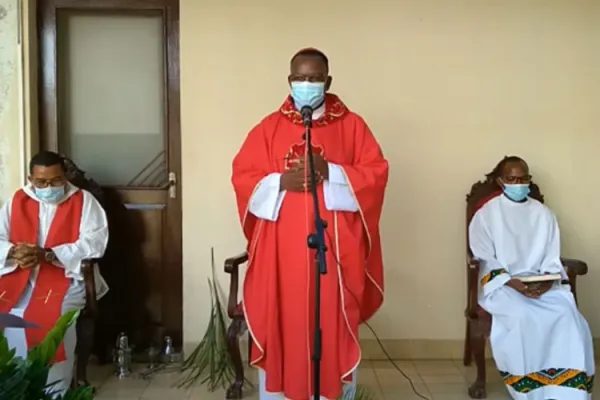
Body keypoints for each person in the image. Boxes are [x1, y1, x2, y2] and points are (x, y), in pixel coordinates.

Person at [232, 48, 388, 400]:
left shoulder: (352, 126)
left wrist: (332, 172)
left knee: (329, 326)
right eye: (300, 78)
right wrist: (278, 183)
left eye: (314, 78)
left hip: (331, 255)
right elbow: (242, 177)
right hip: (281, 256)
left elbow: (375, 175)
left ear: (328, 81)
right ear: (289, 81)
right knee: (285, 322)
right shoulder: (268, 128)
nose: (307, 84)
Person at [469, 156, 594, 400]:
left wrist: (546, 282)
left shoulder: (543, 214)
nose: (518, 184)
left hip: (540, 282)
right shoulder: (487, 215)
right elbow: (484, 256)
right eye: (512, 179)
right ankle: (530, 390)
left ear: (529, 180)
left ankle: (566, 391)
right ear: (500, 181)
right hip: (504, 285)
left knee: (567, 316)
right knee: (522, 316)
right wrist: (513, 283)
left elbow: (551, 256)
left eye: (523, 179)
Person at [0, 151, 109, 395]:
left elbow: (95, 243)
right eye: (41, 182)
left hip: (66, 277)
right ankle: (10, 387)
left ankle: (55, 390)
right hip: (20, 276)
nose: (48, 187)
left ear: (65, 176)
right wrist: (13, 252)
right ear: (31, 179)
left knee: (53, 319)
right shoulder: (18, 200)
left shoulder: (84, 200)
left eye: (55, 181)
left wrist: (49, 254)